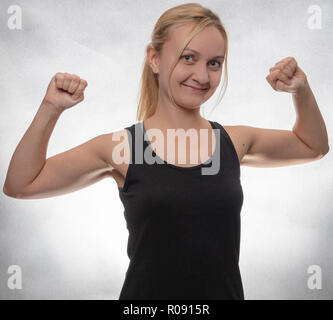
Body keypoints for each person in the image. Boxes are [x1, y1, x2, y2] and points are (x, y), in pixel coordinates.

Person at [3, 3, 329, 300]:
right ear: (155, 59)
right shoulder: (122, 149)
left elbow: (313, 145)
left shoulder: (234, 142)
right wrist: (50, 108)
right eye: (188, 57)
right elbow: (21, 184)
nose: (202, 76)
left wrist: (300, 90)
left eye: (214, 63)